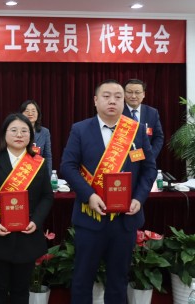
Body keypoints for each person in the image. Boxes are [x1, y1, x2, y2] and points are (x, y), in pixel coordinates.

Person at [60, 79, 157, 304]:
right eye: (106, 96)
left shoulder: (135, 131)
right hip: (90, 218)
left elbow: (149, 168)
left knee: (118, 280)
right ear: (95, 100)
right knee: (82, 279)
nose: (112, 101)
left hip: (125, 220)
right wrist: (89, 196)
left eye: (118, 96)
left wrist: (139, 198)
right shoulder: (80, 129)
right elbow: (68, 166)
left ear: (124, 101)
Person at [0, 113, 53, 304]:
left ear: (30, 136)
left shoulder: (38, 163)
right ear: (4, 134)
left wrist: (36, 221)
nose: (19, 135)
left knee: (21, 290)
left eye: (24, 131)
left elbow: (47, 196)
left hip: (28, 234)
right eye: (14, 130)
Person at [123, 78, 164, 160]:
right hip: (123, 161)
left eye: (137, 92)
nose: (133, 96)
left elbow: (158, 137)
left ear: (143, 94)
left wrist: (150, 156)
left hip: (147, 159)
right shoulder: (117, 113)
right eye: (129, 92)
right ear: (124, 94)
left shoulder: (152, 112)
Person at [19, 100, 53, 176]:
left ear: (38, 114)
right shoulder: (16, 132)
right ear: (21, 114)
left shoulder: (45, 132)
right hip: (20, 172)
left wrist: (48, 176)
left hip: (38, 172)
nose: (30, 114)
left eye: (33, 111)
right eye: (27, 111)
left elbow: (47, 156)